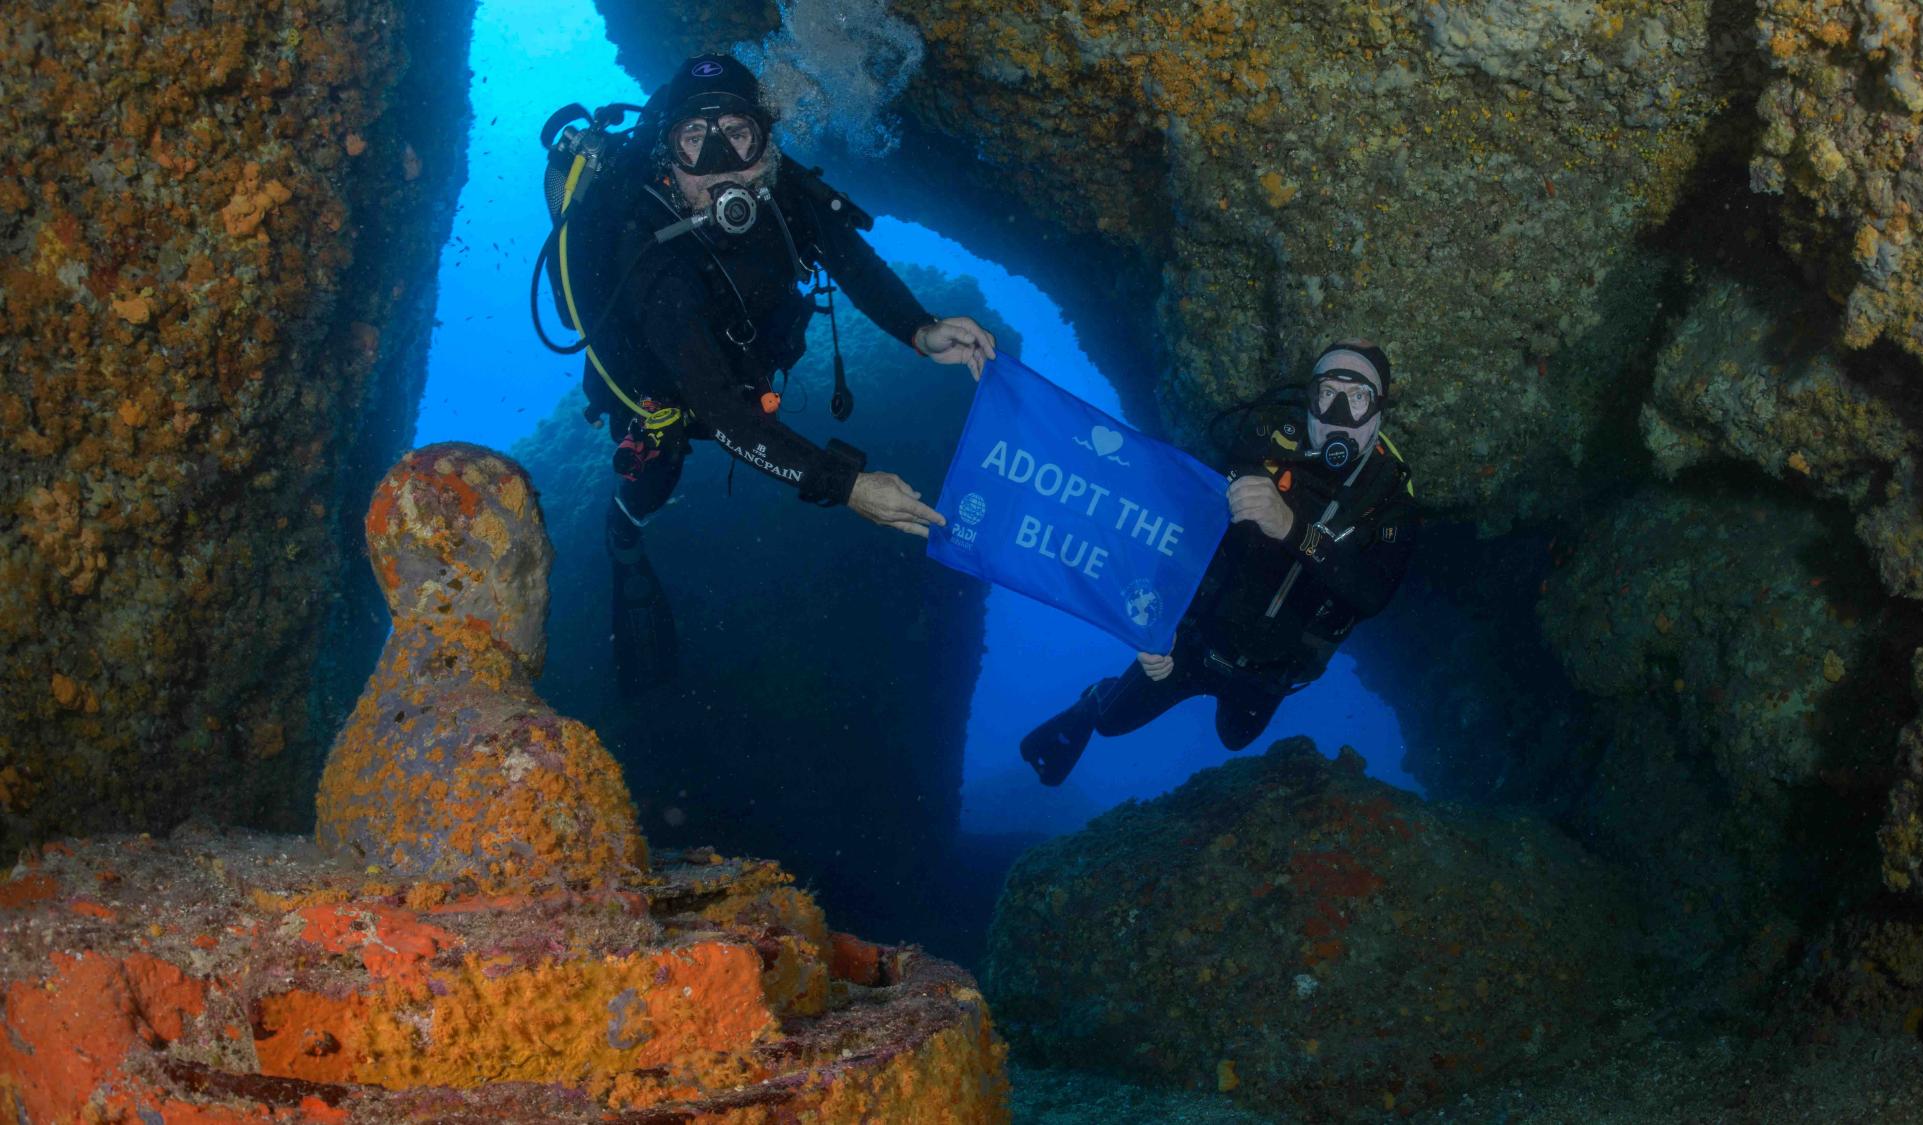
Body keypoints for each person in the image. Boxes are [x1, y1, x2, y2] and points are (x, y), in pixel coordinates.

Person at [549, 55, 997, 694]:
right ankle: (624, 539)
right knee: (661, 462)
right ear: (666, 161)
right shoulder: (647, 251)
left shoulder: (783, 192)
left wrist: (919, 329)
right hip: (669, 390)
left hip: (745, 374)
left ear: (766, 144)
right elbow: (718, 406)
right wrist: (845, 486)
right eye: (693, 141)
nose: (719, 163)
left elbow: (851, 258)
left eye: (736, 132)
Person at [1019, 341, 1416, 786]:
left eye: (1357, 397)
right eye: (1327, 393)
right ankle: (1093, 699)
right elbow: (1186, 534)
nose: (1338, 413)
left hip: (1270, 669)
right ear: (1310, 398)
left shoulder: (1389, 499)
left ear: (1379, 409)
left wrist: (1291, 527)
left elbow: (1372, 592)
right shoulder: (1267, 445)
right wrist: (1157, 624)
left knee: (1235, 738)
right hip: (1195, 641)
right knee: (1110, 723)